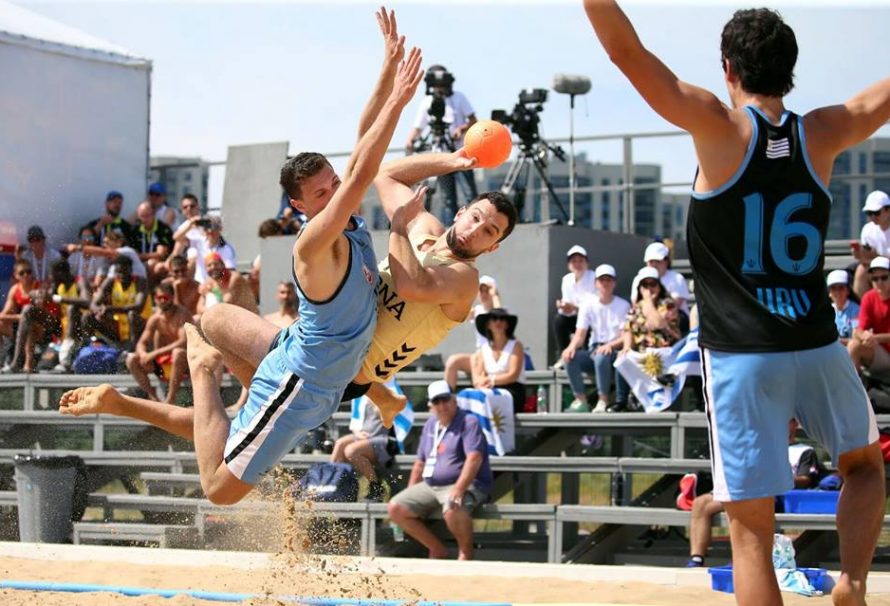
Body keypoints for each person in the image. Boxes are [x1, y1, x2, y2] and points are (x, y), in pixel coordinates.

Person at [584, 3, 887, 604]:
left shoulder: (719, 127)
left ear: (728, 68)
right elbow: (878, 98)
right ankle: (853, 580)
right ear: (792, 70)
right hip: (817, 342)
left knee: (750, 531)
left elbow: (626, 53)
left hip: (743, 353)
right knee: (865, 466)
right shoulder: (824, 130)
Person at [60, 7, 423, 506]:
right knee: (219, 489)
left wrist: (386, 68)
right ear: (299, 206)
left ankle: (123, 398)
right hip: (304, 385)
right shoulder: (314, 241)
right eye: (321, 194)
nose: (335, 194)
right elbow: (363, 171)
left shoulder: (348, 222)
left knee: (220, 367)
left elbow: (361, 150)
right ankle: (203, 367)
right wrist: (399, 102)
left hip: (295, 349)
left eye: (332, 185)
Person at [346, 149, 517, 426]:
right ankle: (387, 399)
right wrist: (452, 162)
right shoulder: (425, 227)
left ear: (492, 247)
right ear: (460, 212)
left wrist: (399, 226)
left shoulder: (465, 279)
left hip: (350, 373)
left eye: (488, 231)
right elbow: (386, 174)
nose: (475, 230)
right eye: (475, 217)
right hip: (336, 335)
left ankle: (385, 398)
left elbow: (410, 285)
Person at [683, 419, 828, 568]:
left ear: (795, 424)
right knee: (701, 503)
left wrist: (777, 477)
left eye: (788, 421)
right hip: (747, 489)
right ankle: (696, 558)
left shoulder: (804, 451)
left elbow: (805, 479)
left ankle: (740, 561)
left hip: (776, 493)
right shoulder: (761, 446)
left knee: (740, 505)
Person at [387, 380, 491, 560]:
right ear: (430, 406)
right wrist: (411, 491)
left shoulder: (469, 422)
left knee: (452, 506)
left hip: (464, 484)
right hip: (430, 485)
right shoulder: (430, 425)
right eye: (437, 402)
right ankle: (436, 548)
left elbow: (474, 458)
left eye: (445, 400)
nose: (442, 405)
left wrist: (459, 489)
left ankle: (466, 553)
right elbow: (420, 463)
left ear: (454, 400)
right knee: (396, 507)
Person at [405, 64, 479, 223]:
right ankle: (451, 227)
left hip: (462, 152)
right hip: (442, 155)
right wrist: (410, 142)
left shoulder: (459, 97)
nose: (439, 88)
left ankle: (474, 221)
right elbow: (418, 127)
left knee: (470, 194)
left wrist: (462, 128)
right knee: (448, 198)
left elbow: (473, 120)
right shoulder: (427, 102)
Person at [561, 263, 631, 413]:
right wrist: (571, 347)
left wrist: (610, 346)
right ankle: (580, 399)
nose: (605, 283)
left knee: (601, 357)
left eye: (609, 280)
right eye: (601, 280)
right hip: (594, 349)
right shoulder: (587, 304)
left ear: (614, 283)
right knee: (569, 358)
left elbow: (625, 335)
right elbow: (580, 334)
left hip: (614, 351)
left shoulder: (623, 305)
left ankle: (603, 399)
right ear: (596, 283)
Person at [125, 282, 190, 403]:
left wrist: (154, 353)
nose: (163, 300)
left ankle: (170, 399)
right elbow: (141, 342)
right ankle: (154, 398)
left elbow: (183, 341)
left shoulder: (182, 314)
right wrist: (143, 353)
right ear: (155, 299)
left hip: (186, 364)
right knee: (131, 359)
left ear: (172, 297)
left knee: (178, 352)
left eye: (166, 297)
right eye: (160, 298)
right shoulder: (155, 319)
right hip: (164, 364)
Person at [443, 275, 502, 390]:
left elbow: (501, 315)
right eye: (480, 290)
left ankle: (479, 393)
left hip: (496, 356)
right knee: (453, 361)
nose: (484, 294)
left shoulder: (503, 312)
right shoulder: (476, 310)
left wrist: (495, 295)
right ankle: (446, 398)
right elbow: (459, 315)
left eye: (487, 290)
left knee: (478, 364)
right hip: (480, 354)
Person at [330, 398, 394, 503]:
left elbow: (385, 417)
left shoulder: (388, 393)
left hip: (382, 436)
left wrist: (376, 399)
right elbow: (355, 420)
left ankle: (376, 486)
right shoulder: (360, 398)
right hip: (363, 435)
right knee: (339, 444)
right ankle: (332, 483)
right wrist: (357, 433)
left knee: (351, 451)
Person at [82, 255, 151, 349]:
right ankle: (88, 348)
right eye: (118, 272)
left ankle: (132, 350)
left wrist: (109, 309)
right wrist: (99, 310)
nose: (121, 275)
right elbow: (94, 303)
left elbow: (139, 307)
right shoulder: (111, 281)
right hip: (118, 325)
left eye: (124, 272)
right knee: (88, 316)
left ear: (131, 270)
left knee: (132, 314)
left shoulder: (140, 282)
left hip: (139, 324)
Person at [470, 308, 526, 414]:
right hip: (489, 390)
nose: (498, 322)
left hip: (513, 391)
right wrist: (482, 382)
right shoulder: (484, 349)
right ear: (488, 325)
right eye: (494, 319)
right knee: (469, 397)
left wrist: (491, 380)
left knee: (486, 400)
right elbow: (478, 375)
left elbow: (513, 375)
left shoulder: (516, 346)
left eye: (502, 319)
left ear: (507, 324)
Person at [554, 245, 597, 367]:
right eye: (574, 261)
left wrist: (575, 308)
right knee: (559, 320)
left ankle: (585, 357)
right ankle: (564, 355)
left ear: (586, 263)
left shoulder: (593, 277)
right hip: (574, 317)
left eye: (580, 261)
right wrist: (563, 306)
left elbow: (593, 304)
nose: (577, 264)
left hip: (590, 319)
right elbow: (567, 302)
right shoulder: (566, 279)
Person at [848, 257, 890, 380]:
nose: (879, 282)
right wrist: (864, 336)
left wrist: (875, 338)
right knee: (853, 345)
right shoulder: (869, 297)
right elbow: (859, 329)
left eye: (884, 277)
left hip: (883, 349)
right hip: (880, 351)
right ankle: (855, 392)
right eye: (875, 278)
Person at [0, 260, 45, 372]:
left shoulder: (38, 288)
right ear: (16, 275)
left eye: (28, 272)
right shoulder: (15, 289)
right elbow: (3, 315)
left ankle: (27, 364)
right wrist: (20, 318)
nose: (26, 275)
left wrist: (24, 319)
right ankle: (3, 358)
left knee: (29, 324)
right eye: (22, 273)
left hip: (41, 327)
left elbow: (42, 313)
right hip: (21, 325)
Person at [50, 259, 90, 372]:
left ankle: (65, 359)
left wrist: (61, 299)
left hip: (79, 328)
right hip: (63, 327)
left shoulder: (79, 282)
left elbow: (87, 301)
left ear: (60, 273)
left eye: (53, 275)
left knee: (72, 308)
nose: (51, 278)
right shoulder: (58, 286)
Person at [629, 242, 690, 313]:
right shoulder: (638, 279)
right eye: (651, 261)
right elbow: (635, 304)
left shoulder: (677, 279)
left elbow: (673, 307)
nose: (654, 265)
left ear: (667, 261)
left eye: (658, 261)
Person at [68, 229, 147, 283]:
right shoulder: (111, 263)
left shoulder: (128, 251)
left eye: (107, 242)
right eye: (103, 243)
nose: (104, 245)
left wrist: (78, 247)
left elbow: (106, 252)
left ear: (119, 242)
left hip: (138, 286)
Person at [851, 190, 890, 299]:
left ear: (888, 210)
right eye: (869, 213)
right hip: (876, 268)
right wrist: (860, 256)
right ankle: (864, 308)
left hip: (884, 269)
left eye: (877, 213)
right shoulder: (868, 229)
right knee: (861, 271)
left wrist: (875, 257)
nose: (873, 217)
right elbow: (867, 260)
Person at [184, 216, 237, 285]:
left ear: (220, 229)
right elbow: (177, 238)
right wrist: (190, 224)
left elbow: (230, 271)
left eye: (213, 227)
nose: (210, 231)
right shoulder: (198, 241)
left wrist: (216, 284)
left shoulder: (226, 249)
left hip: (217, 286)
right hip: (199, 285)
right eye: (207, 227)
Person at [134, 200, 174, 284]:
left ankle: (149, 292)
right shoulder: (135, 230)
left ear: (154, 214)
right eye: (142, 216)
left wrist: (140, 256)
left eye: (147, 215)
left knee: (152, 264)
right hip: (140, 261)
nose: (144, 219)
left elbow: (160, 254)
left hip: (161, 262)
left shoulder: (162, 228)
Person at [67, 226, 104, 294]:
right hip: (76, 289)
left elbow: (99, 279)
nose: (87, 240)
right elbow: (68, 277)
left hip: (93, 289)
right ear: (80, 240)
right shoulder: (73, 256)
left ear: (95, 239)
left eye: (90, 238)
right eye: (84, 238)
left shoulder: (100, 257)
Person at [827, 269, 859, 347]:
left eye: (841, 287)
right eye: (834, 288)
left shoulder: (856, 310)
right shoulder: (826, 311)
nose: (837, 292)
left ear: (848, 290)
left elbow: (856, 339)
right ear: (829, 293)